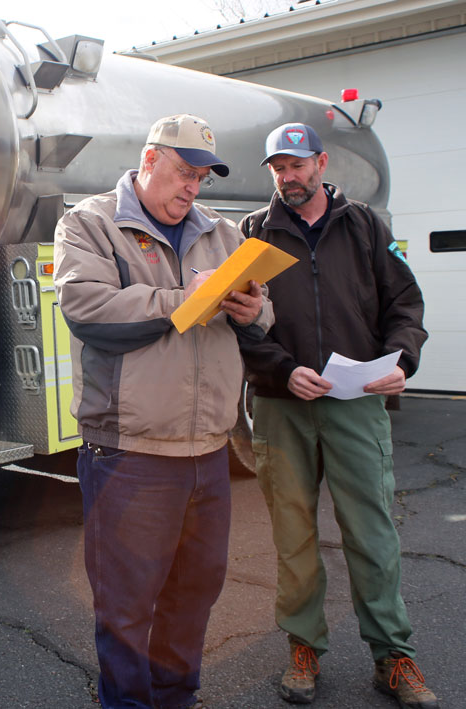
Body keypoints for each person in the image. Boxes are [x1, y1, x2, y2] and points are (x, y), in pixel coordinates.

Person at [53, 114, 272, 709]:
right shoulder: (91, 223)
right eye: (182, 172)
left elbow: (264, 312)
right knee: (127, 604)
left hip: (208, 450)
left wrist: (255, 312)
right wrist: (194, 300)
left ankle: (177, 697)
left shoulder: (223, 234)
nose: (191, 188)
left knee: (195, 591)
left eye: (201, 177)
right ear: (149, 160)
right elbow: (87, 307)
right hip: (130, 452)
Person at [239, 123, 438, 708]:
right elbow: (239, 320)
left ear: (322, 163)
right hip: (283, 408)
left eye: (297, 165)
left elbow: (406, 303)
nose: (288, 177)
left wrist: (402, 359)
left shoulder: (366, 227)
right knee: (293, 536)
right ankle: (304, 647)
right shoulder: (254, 233)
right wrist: (279, 370)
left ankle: (392, 656)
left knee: (372, 535)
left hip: (356, 402)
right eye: (278, 168)